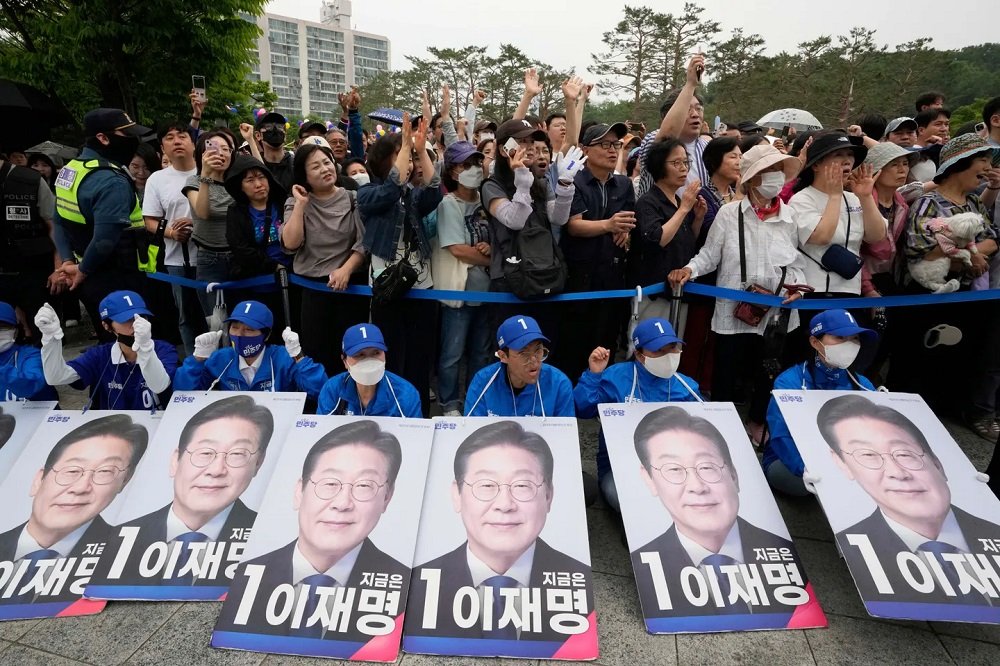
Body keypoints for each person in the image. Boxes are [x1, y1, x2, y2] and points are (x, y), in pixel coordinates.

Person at [217, 420, 409, 639]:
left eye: (364, 485)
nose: (342, 503)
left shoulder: (408, 585)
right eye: (329, 483)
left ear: (387, 498)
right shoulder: (248, 575)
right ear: (299, 491)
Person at [405, 420, 592, 641]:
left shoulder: (576, 581)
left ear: (548, 495)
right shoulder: (416, 586)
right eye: (486, 485)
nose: (504, 504)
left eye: (522, 485)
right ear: (457, 495)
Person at [670, 144, 806, 442]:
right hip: (735, 305)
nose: (776, 178)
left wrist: (798, 288)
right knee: (726, 369)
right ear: (753, 178)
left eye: (779, 172)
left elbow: (797, 261)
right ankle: (720, 426)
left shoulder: (791, 216)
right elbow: (710, 254)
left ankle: (757, 421)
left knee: (767, 369)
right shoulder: (730, 214)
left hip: (777, 307)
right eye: (769, 171)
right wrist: (689, 270)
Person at [818, 394, 1000, 605]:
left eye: (904, 453)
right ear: (844, 465)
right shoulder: (855, 542)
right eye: (867, 455)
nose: (897, 472)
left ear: (937, 462)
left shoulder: (993, 533)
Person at [629, 406, 806, 617]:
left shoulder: (783, 555)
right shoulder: (645, 563)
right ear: (650, 480)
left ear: (733, 473)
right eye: (674, 469)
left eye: (707, 466)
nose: (697, 486)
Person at [103, 395, 273, 587]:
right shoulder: (115, 539)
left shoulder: (268, 546)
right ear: (176, 460)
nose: (216, 470)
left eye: (237, 454)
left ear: (258, 463)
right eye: (206, 452)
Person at [899, 134, 1000, 436]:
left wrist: (971, 254)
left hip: (966, 294)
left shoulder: (973, 202)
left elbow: (993, 238)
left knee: (956, 357)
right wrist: (968, 255)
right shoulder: (928, 203)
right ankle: (909, 417)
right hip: (927, 295)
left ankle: (940, 419)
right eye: (982, 160)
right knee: (922, 358)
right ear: (958, 165)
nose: (987, 167)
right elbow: (920, 249)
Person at [0, 415, 148, 602]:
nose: (80, 488)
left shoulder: (138, 560)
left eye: (105, 472)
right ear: (39, 479)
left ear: (124, 482)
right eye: (72, 471)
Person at [575, 318, 702, 512]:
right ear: (639, 355)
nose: (668, 355)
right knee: (623, 498)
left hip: (673, 468)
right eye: (659, 351)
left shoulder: (688, 387)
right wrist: (594, 375)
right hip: (619, 467)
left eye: (672, 348)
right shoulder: (616, 377)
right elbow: (582, 408)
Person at [360, 115, 442, 415]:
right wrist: (406, 144)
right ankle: (392, 413)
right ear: (384, 161)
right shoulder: (369, 193)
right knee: (391, 357)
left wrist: (420, 150)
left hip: (422, 287)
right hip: (386, 290)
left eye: (409, 158)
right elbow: (389, 190)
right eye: (401, 156)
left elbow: (434, 189)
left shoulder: (414, 196)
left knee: (421, 358)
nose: (408, 164)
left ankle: (419, 415)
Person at [53, 108, 151, 339]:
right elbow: (105, 240)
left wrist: (69, 261)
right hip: (118, 274)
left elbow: (58, 219)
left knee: (108, 338)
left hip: (86, 271)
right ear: (103, 138)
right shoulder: (111, 181)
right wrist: (82, 270)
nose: (134, 141)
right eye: (126, 135)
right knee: (132, 341)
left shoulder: (71, 170)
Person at [762, 309, 878, 496]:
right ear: (815, 342)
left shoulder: (863, 385)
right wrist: (802, 467)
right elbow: (780, 434)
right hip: (796, 457)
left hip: (846, 458)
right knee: (797, 484)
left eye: (855, 339)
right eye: (840, 337)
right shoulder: (789, 381)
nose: (849, 344)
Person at [482, 119, 579, 330]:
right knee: (512, 347)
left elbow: (558, 218)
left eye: (530, 141)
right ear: (504, 148)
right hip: (509, 277)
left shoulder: (540, 182)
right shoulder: (492, 185)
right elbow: (514, 220)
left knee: (542, 343)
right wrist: (523, 182)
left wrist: (564, 184)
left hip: (544, 272)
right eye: (522, 141)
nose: (529, 147)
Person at [557, 122, 636, 377]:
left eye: (616, 145)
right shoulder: (574, 181)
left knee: (606, 342)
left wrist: (625, 231)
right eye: (604, 144)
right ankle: (571, 403)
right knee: (574, 343)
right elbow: (574, 226)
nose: (612, 150)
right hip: (578, 278)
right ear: (585, 150)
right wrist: (609, 225)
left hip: (612, 277)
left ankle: (602, 399)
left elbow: (628, 221)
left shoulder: (623, 185)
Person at [282, 143, 367, 376]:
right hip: (313, 289)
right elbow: (290, 243)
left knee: (351, 353)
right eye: (315, 166)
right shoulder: (295, 201)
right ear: (304, 175)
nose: (324, 169)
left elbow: (363, 243)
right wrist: (300, 205)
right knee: (317, 353)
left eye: (327, 162)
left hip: (349, 288)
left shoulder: (353, 198)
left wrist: (346, 270)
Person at [36, 291, 176, 411]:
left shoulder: (163, 349)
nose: (135, 324)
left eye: (141, 317)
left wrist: (145, 347)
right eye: (126, 320)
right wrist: (51, 339)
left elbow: (159, 385)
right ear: (107, 326)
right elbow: (56, 377)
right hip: (111, 432)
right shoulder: (100, 355)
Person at [790, 132, 886, 299]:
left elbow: (876, 236)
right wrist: (834, 196)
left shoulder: (854, 199)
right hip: (813, 292)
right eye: (838, 154)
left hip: (851, 291)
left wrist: (866, 197)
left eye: (850, 155)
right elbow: (822, 236)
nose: (847, 160)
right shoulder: (802, 199)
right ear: (816, 165)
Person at [434, 141, 492, 416]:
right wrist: (496, 260)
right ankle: (449, 403)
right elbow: (457, 250)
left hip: (486, 292)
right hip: (458, 293)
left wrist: (490, 248)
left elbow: (494, 240)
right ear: (453, 172)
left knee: (481, 352)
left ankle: (475, 400)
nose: (474, 170)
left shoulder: (487, 201)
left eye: (477, 163)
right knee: (452, 355)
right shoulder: (449, 204)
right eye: (466, 165)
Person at [628, 138, 706, 331]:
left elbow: (686, 242)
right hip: (655, 293)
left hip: (679, 291)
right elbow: (657, 240)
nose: (683, 168)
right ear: (659, 166)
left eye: (685, 162)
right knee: (652, 349)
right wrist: (684, 209)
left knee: (672, 352)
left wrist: (697, 218)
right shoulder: (648, 202)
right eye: (675, 163)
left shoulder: (679, 201)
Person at [173, 300, 326, 397]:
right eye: (235, 327)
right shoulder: (221, 358)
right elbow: (182, 395)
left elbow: (319, 391)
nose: (239, 335)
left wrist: (299, 358)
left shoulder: (283, 358)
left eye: (249, 330)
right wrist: (197, 360)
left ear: (266, 335)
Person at [141, 123, 202, 355]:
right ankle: (192, 364)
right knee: (185, 316)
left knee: (214, 316)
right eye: (169, 137)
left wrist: (197, 226)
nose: (176, 141)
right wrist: (171, 233)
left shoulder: (207, 173)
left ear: (192, 142)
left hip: (210, 257)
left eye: (182, 136)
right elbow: (150, 220)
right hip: (176, 259)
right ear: (162, 147)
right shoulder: (157, 179)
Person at [0, 150, 60, 340]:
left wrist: (59, 266)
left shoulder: (30, 180)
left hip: (34, 268)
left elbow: (55, 226)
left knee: (44, 333)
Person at [465, 315, 574, 418]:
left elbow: (565, 435)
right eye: (523, 353)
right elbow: (472, 432)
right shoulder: (483, 382)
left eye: (538, 350)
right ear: (503, 356)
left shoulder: (558, 383)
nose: (534, 360)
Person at [636, 55, 709, 199]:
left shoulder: (706, 147)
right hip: (658, 219)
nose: (695, 115)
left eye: (698, 108)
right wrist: (690, 84)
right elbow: (667, 136)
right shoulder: (652, 140)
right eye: (687, 109)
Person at [317, 323, 421, 417]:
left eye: (376, 353)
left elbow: (416, 436)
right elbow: (321, 432)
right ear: (344, 361)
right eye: (360, 355)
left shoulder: (406, 394)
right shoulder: (332, 390)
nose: (369, 362)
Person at [183, 130, 235, 319]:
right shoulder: (194, 181)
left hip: (239, 256)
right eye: (213, 148)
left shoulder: (237, 182)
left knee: (241, 318)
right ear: (201, 153)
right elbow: (202, 212)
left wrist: (251, 141)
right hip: (210, 258)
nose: (220, 153)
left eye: (226, 149)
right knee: (216, 323)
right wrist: (206, 175)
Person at [223, 154, 289, 284]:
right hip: (255, 280)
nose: (258, 184)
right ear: (240, 186)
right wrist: (273, 266)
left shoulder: (283, 204)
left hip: (291, 278)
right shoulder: (236, 212)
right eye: (250, 180)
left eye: (261, 177)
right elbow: (240, 248)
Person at [0, 301, 55, 401]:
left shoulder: (31, 355)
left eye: (2, 327)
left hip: (38, 415)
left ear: (15, 331)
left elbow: (32, 385)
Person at [254, 112, 294, 192]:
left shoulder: (295, 165)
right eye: (268, 127)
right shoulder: (254, 167)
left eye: (280, 127)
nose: (275, 130)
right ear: (258, 135)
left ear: (285, 135)